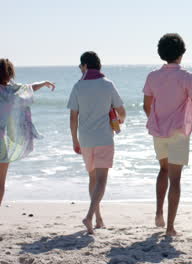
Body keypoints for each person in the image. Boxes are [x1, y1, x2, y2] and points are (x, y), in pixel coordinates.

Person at [143, 33, 192, 236]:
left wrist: (158, 120)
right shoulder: (187, 77)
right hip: (179, 132)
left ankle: (159, 213)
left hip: (158, 131)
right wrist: (190, 117)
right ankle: (170, 227)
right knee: (175, 179)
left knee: (163, 170)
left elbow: (147, 106)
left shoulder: (152, 76)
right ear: (182, 53)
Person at [67, 51, 126, 234]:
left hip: (85, 139)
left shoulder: (78, 86)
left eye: (80, 66)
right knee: (101, 181)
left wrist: (74, 140)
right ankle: (89, 217)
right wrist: (117, 120)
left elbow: (73, 118)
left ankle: (99, 219)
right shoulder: (108, 85)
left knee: (93, 179)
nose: (79, 69)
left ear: (85, 66)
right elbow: (122, 112)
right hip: (104, 139)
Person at [0, 58, 55, 206]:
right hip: (1, 142)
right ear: (10, 74)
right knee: (0, 182)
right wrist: (44, 83)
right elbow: (30, 88)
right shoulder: (13, 91)